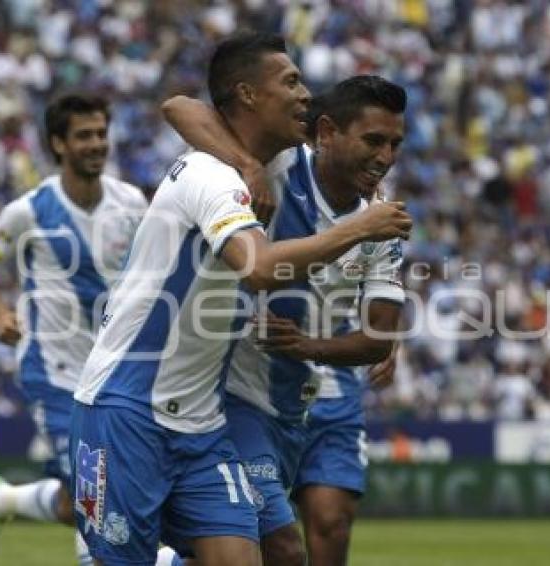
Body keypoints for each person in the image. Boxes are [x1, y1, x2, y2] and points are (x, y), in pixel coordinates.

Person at [69, 33, 412, 566]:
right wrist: (356, 228)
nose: (305, 94)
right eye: (292, 82)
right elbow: (259, 268)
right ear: (249, 95)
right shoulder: (213, 174)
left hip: (203, 422)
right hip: (128, 404)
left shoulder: (278, 173)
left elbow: (378, 330)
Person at [163, 75, 407, 566]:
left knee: (319, 532)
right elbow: (179, 107)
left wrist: (307, 347)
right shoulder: (280, 166)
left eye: (394, 144)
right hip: (233, 396)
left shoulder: (380, 225)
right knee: (282, 548)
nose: (384, 156)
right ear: (327, 132)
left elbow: (379, 336)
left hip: (306, 398)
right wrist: (247, 165)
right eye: (372, 141)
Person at [0, 93, 149, 565]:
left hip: (115, 371)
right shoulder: (26, 212)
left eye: (101, 133)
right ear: (58, 143)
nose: (96, 144)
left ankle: (2, 500)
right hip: (53, 371)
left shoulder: (132, 203)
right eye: (83, 135)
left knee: (81, 499)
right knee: (96, 490)